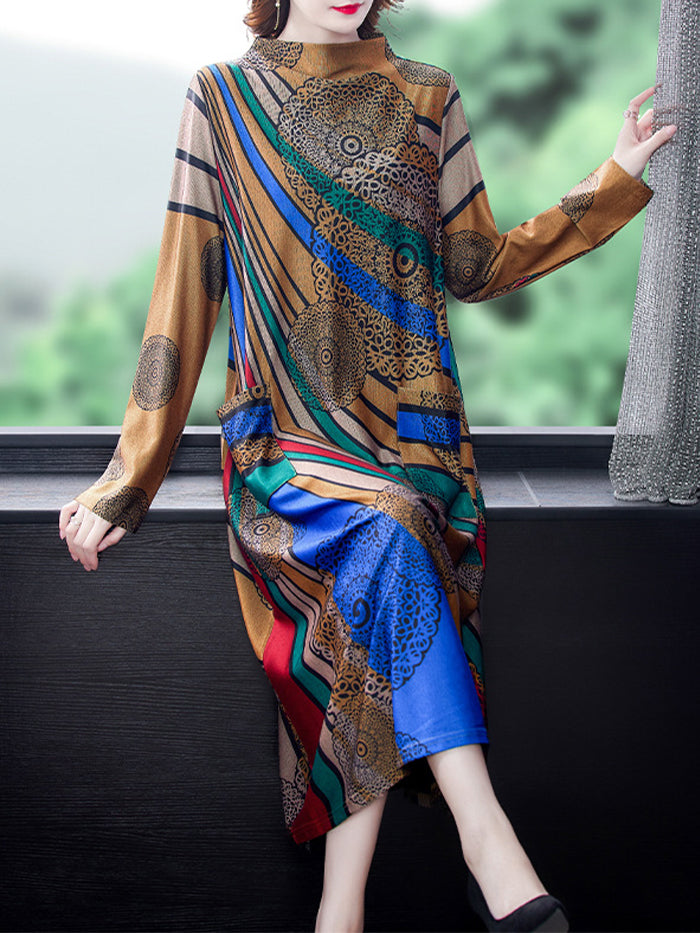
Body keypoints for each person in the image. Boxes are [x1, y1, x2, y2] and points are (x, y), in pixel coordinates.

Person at [58, 1, 677, 930]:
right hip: (286, 442)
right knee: (388, 532)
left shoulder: (428, 93)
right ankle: (488, 844)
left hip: (414, 439)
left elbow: (475, 264)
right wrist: (128, 477)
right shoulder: (221, 97)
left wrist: (613, 180)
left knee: (384, 545)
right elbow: (186, 283)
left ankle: (339, 908)